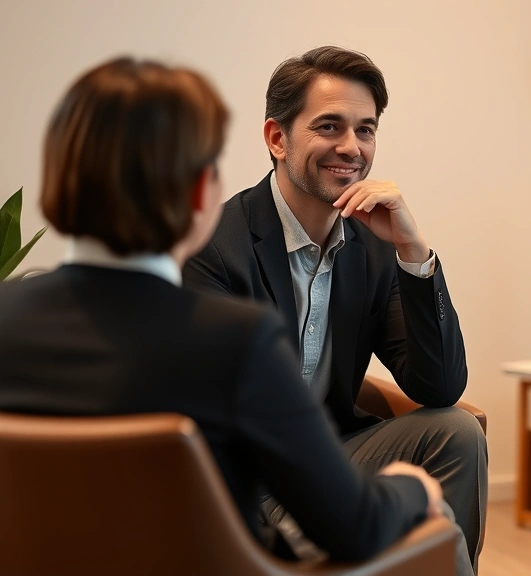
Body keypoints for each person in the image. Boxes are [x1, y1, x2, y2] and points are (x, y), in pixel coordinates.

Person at [0, 57, 447, 564]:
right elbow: (355, 528)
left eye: (365, 129)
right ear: (200, 190)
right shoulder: (235, 339)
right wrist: (411, 487)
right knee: (435, 522)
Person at [182, 46, 485, 570]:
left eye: (365, 130)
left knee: (457, 431)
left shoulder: (373, 245)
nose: (351, 147)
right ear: (277, 138)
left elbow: (438, 386)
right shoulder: (215, 247)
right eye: (329, 126)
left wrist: (413, 252)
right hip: (245, 482)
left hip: (331, 460)